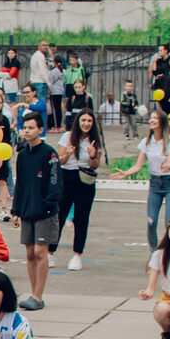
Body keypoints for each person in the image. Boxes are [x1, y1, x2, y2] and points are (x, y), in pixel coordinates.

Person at [11, 114, 61, 312]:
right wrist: (16, 210)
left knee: (41, 251)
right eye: (25, 127)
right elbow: (20, 184)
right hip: (27, 211)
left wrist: (48, 204)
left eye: (32, 127)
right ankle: (33, 294)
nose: (27, 131)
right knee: (30, 252)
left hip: (44, 212)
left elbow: (55, 183)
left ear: (40, 129)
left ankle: (38, 295)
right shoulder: (22, 156)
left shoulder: (50, 154)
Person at [112, 109, 170, 250]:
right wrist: (125, 174)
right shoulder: (146, 141)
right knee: (151, 221)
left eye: (155, 118)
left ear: (162, 121)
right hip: (155, 184)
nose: (151, 120)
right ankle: (154, 252)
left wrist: (167, 165)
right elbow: (138, 166)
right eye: (151, 118)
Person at [52, 108, 103, 271]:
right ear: (78, 122)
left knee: (81, 218)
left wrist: (93, 156)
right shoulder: (67, 136)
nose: (86, 124)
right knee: (59, 215)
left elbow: (96, 165)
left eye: (89, 121)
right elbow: (59, 161)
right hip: (67, 178)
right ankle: (50, 252)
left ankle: (77, 255)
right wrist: (67, 154)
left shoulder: (95, 139)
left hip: (85, 180)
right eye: (83, 120)